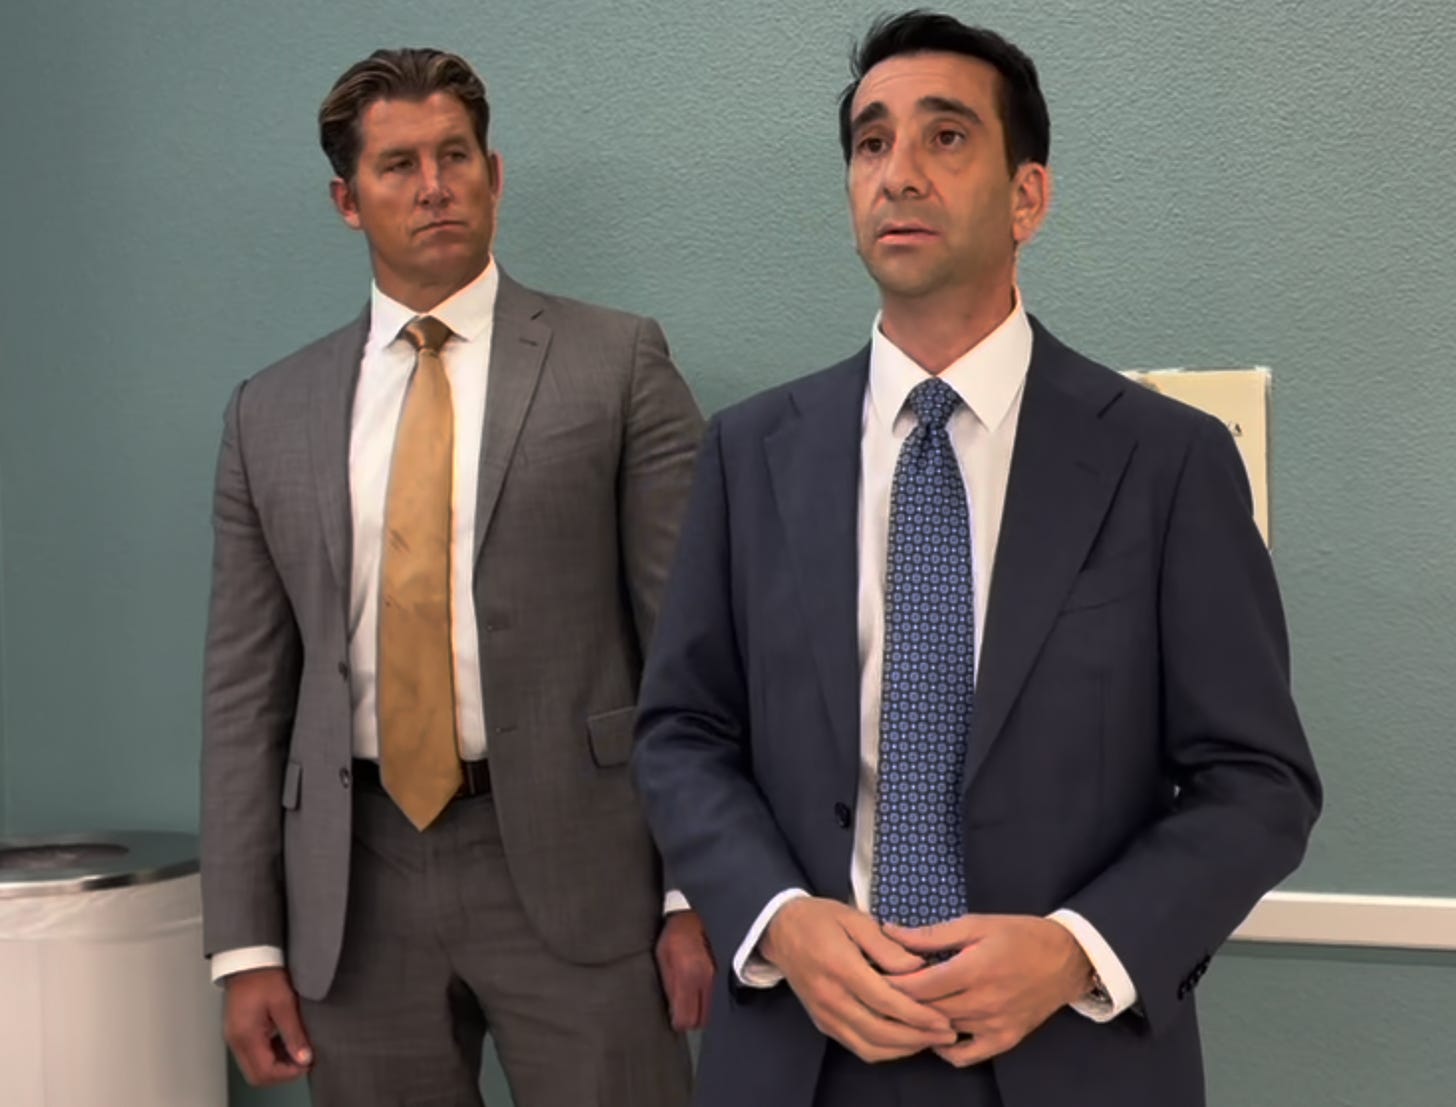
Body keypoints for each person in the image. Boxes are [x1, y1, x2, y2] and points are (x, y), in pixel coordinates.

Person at [631, 12, 1321, 1107]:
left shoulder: (1164, 461)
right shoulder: (749, 451)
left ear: (1027, 197)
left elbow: (1257, 782)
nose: (898, 172)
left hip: (1068, 1053)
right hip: (805, 1051)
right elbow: (681, 734)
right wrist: (779, 921)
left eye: (945, 137)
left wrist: (1076, 949)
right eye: (871, 142)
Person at [200, 46, 713, 1106]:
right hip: (355, 887)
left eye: (455, 156)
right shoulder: (267, 413)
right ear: (348, 201)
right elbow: (245, 692)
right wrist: (246, 946)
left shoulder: (616, 363)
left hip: (583, 871)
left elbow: (693, 646)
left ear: (494, 174)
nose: (434, 186)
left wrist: (691, 892)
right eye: (398, 165)